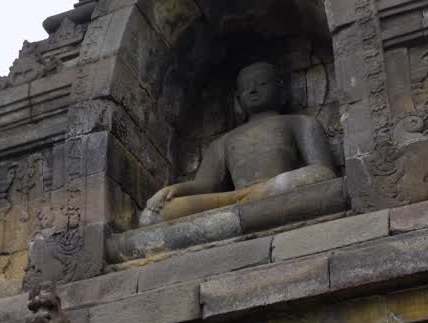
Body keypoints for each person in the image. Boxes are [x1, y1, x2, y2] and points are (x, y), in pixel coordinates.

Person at [140, 62, 337, 226]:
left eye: (262, 83)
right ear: (237, 99)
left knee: (321, 178)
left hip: (279, 187)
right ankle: (253, 200)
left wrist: (272, 186)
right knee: (151, 217)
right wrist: (173, 190)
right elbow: (204, 186)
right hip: (235, 199)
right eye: (246, 88)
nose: (252, 90)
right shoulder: (223, 142)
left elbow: (323, 172)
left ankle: (259, 197)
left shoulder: (300, 123)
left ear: (281, 90)